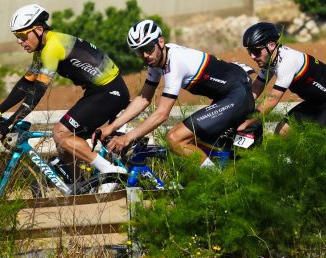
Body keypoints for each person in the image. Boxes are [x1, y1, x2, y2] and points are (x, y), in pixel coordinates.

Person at [0, 3, 131, 183]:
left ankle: (110, 170)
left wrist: (10, 122)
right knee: (64, 146)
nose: (19, 41)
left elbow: (37, 92)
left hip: (109, 92)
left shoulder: (52, 47)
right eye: (16, 36)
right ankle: (81, 188)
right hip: (98, 92)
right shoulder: (42, 48)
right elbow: (26, 84)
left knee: (60, 132)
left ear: (38, 30)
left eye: (22, 35)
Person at [100, 20, 255, 167]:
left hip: (237, 95)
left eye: (148, 48)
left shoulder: (175, 62)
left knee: (175, 138)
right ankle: (219, 169)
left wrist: (127, 137)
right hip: (227, 95)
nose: (145, 55)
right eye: (139, 51)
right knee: (193, 143)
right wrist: (112, 127)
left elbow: (162, 114)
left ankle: (216, 179)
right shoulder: (157, 60)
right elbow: (143, 98)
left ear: (160, 42)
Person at [237, 21, 326, 135]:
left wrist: (247, 122)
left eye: (256, 51)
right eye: (249, 51)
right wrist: (238, 108)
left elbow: (272, 99)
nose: (252, 56)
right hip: (316, 102)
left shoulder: (287, 61)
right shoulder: (271, 59)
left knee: (313, 139)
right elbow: (257, 87)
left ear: (271, 45)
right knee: (282, 132)